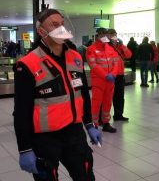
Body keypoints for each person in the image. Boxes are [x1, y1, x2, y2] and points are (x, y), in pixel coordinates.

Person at [13, 9, 101, 180]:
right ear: (41, 31)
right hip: (44, 138)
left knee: (85, 175)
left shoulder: (75, 57)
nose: (60, 28)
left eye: (62, 23)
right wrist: (24, 148)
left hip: (74, 133)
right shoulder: (27, 64)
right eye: (54, 25)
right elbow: (21, 111)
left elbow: (82, 94)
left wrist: (89, 124)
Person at [86, 28, 119, 133]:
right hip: (99, 82)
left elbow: (116, 63)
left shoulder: (110, 49)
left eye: (106, 34)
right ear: (97, 36)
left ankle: (106, 123)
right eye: (102, 35)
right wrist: (105, 75)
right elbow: (93, 65)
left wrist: (113, 74)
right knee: (96, 103)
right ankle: (94, 124)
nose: (105, 36)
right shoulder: (91, 49)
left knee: (108, 103)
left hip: (110, 81)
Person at [107, 29, 132, 122]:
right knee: (108, 97)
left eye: (115, 34)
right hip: (111, 76)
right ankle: (103, 118)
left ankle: (118, 114)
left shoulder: (119, 46)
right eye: (112, 34)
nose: (114, 36)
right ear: (108, 36)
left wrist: (122, 45)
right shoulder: (106, 46)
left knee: (120, 96)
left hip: (120, 75)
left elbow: (129, 55)